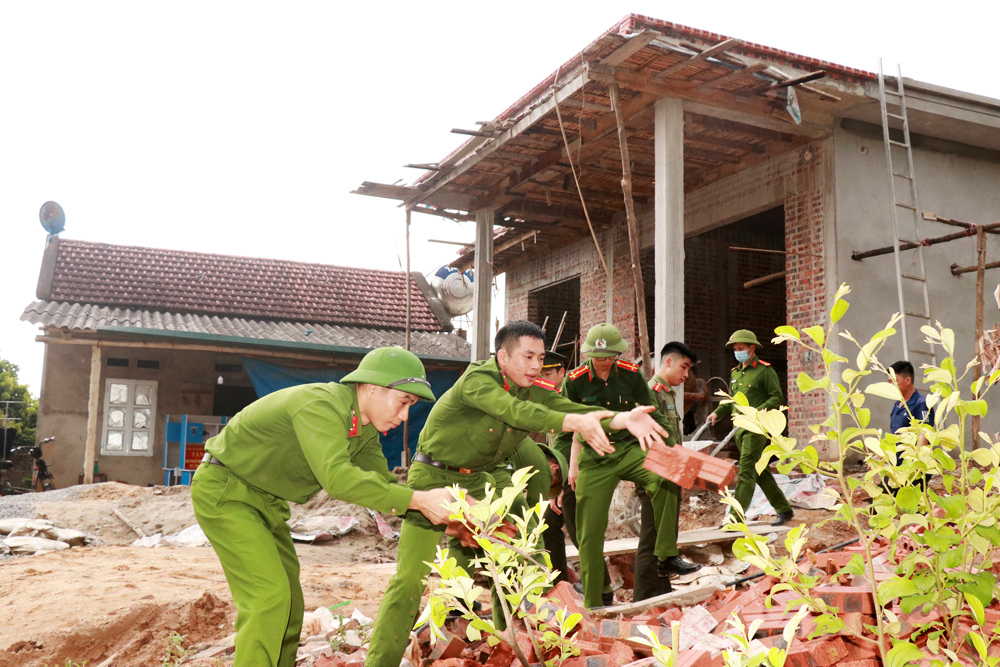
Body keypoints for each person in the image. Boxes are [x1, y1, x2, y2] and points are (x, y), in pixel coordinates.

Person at [366, 321, 670, 667]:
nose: (536, 366)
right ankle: (379, 662)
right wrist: (575, 425)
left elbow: (562, 407)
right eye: (528, 356)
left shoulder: (531, 388)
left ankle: (506, 645)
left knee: (516, 563)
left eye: (540, 358)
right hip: (433, 477)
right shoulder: (478, 381)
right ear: (503, 357)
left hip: (480, 481)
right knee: (409, 579)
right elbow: (517, 412)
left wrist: (621, 419)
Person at [191, 347, 458, 667]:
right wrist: (420, 501)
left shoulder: (363, 429)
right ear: (373, 388)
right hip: (227, 491)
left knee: (289, 605)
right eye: (403, 403)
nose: (403, 417)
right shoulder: (321, 406)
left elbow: (383, 487)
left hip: (267, 501)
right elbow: (338, 479)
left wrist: (451, 511)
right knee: (268, 598)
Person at [559, 323, 692, 608]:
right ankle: (595, 602)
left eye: (612, 356)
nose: (607, 361)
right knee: (589, 532)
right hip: (594, 459)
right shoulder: (574, 381)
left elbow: (652, 417)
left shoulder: (631, 375)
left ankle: (667, 555)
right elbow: (562, 428)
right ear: (589, 355)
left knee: (666, 477)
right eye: (601, 356)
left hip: (630, 449)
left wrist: (671, 452)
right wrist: (568, 468)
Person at [707, 330, 793, 526]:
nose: (737, 352)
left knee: (746, 471)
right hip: (739, 430)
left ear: (752, 348)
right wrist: (717, 413)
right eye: (735, 350)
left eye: (740, 349)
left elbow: (776, 397)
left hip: (756, 429)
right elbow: (731, 401)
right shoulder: (735, 374)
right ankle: (784, 509)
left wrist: (757, 411)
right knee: (760, 471)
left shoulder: (764, 371)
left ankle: (736, 517)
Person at [648, 342, 703, 582]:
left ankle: (664, 570)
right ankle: (658, 573)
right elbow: (652, 436)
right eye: (684, 366)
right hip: (655, 470)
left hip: (668, 468)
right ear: (668, 362)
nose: (686, 374)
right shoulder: (651, 391)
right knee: (652, 533)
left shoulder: (668, 392)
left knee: (666, 524)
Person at [886, 360, 935, 491]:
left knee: (914, 508)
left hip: (912, 467)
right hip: (897, 466)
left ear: (908, 380)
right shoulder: (898, 404)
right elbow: (895, 435)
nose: (891, 385)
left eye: (894, 381)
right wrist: (880, 455)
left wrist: (917, 462)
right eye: (889, 382)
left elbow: (924, 433)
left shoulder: (921, 404)